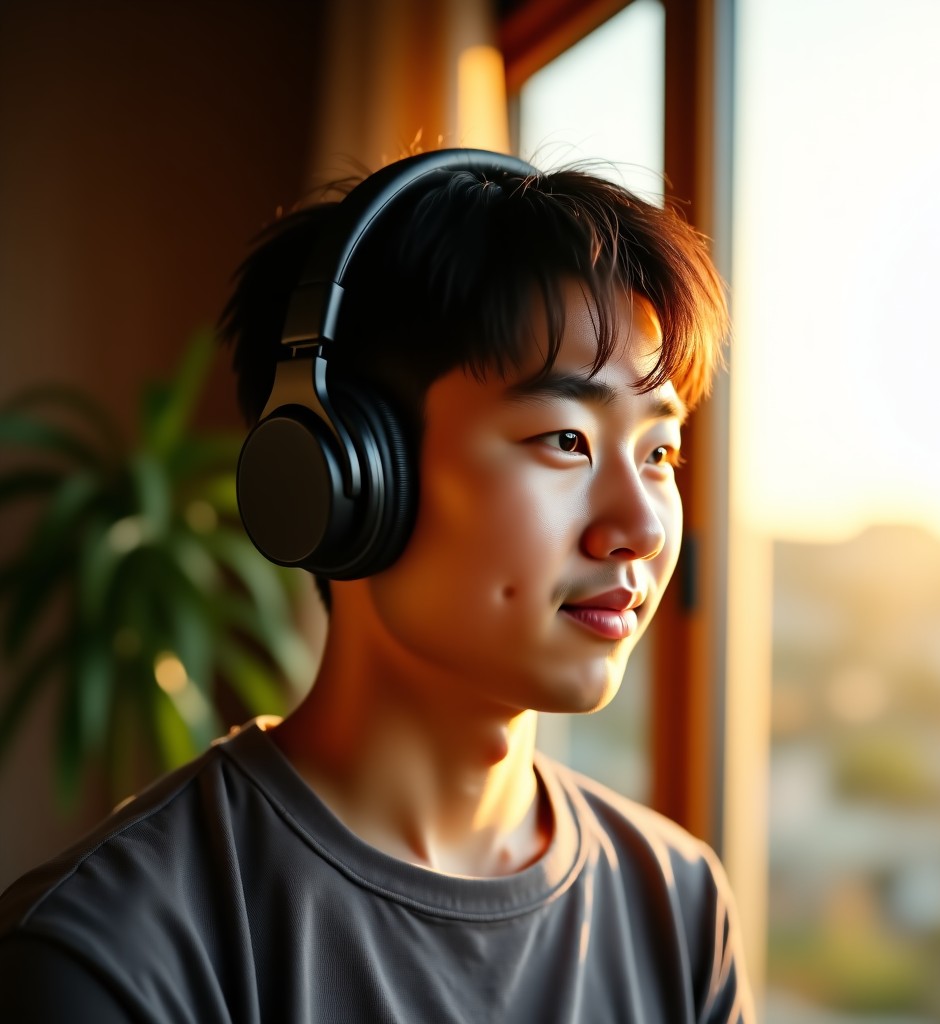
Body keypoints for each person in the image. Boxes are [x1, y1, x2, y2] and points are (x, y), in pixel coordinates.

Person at [0, 149, 755, 1021]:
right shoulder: (109, 958)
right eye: (565, 440)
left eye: (659, 452)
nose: (645, 527)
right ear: (342, 479)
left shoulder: (683, 911)